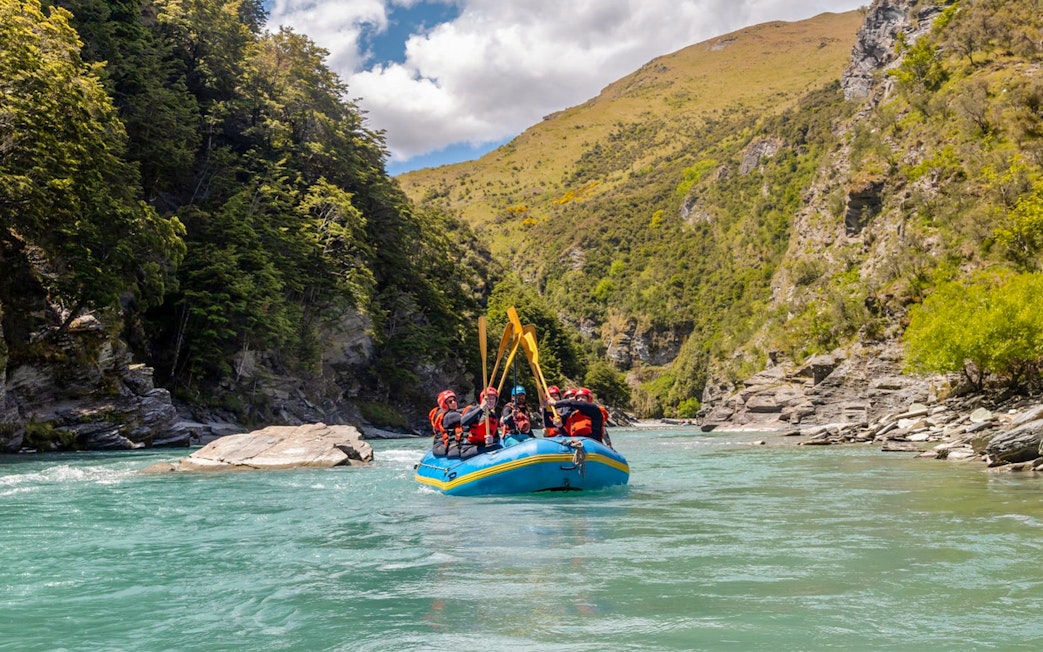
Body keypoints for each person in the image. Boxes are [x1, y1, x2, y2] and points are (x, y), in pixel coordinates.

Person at [459, 387, 501, 458]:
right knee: (496, 448)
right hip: (468, 448)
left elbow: (497, 437)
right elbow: (463, 422)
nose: (491, 401)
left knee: (498, 447)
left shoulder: (493, 416)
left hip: (483, 446)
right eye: (488, 398)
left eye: (493, 399)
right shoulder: (473, 409)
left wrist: (492, 439)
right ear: (483, 399)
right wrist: (481, 408)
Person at [429, 390, 463, 457]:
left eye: (454, 400)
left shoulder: (449, 413)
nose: (453, 403)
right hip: (440, 447)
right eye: (450, 402)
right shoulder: (449, 416)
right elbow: (465, 416)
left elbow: (462, 411)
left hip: (446, 444)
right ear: (444, 405)